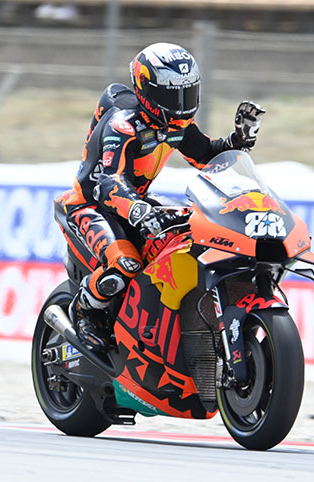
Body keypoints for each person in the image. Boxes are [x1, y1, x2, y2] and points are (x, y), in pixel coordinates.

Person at [57, 42, 265, 351]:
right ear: (147, 90)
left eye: (187, 92)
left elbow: (208, 156)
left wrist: (240, 140)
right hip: (92, 206)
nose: (181, 103)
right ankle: (86, 311)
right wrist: (141, 211)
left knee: (189, 238)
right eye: (172, 94)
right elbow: (108, 182)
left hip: (139, 204)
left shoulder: (176, 125)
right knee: (125, 263)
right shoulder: (123, 125)